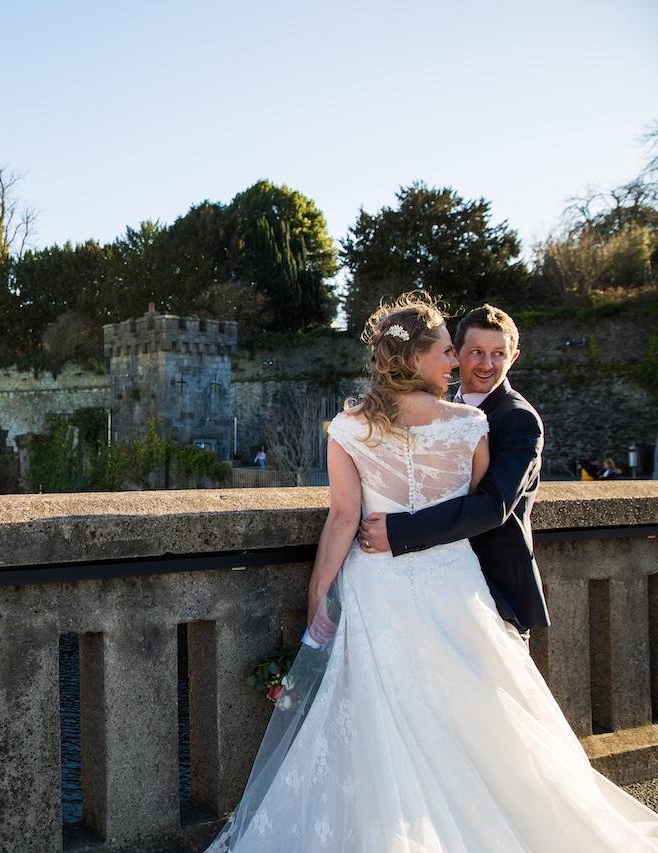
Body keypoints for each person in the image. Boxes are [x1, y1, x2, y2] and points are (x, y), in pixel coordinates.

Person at [204, 293, 658, 852]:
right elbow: (471, 503)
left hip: (376, 582)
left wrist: (320, 591)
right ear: (417, 358)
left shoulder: (349, 427)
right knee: (473, 713)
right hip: (454, 581)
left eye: (469, 352)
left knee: (384, 715)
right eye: (449, 351)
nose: (458, 362)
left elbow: (344, 517)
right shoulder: (470, 424)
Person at [357, 304, 547, 645]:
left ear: (514, 357)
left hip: (494, 592)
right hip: (430, 588)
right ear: (455, 354)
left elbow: (493, 506)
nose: (487, 364)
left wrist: (399, 531)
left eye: (498, 354)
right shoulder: (437, 409)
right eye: (477, 352)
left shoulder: (518, 418)